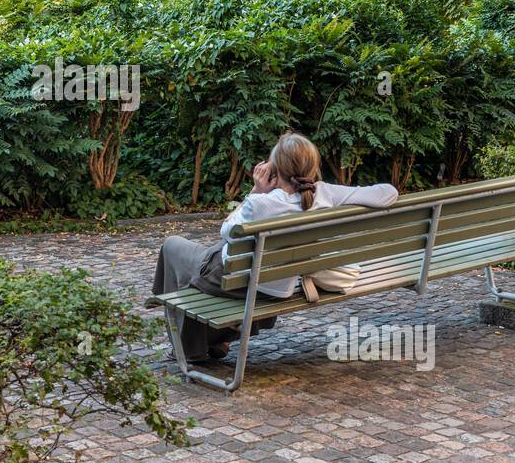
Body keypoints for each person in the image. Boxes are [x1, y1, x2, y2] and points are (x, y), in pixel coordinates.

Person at [151, 131, 399, 362]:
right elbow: (386, 193)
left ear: (276, 169)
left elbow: (227, 230)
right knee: (208, 262)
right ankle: (213, 340)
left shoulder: (263, 203)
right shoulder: (326, 194)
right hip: (277, 287)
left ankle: (183, 342)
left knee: (173, 247)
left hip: (232, 279)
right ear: (312, 168)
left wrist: (256, 191)